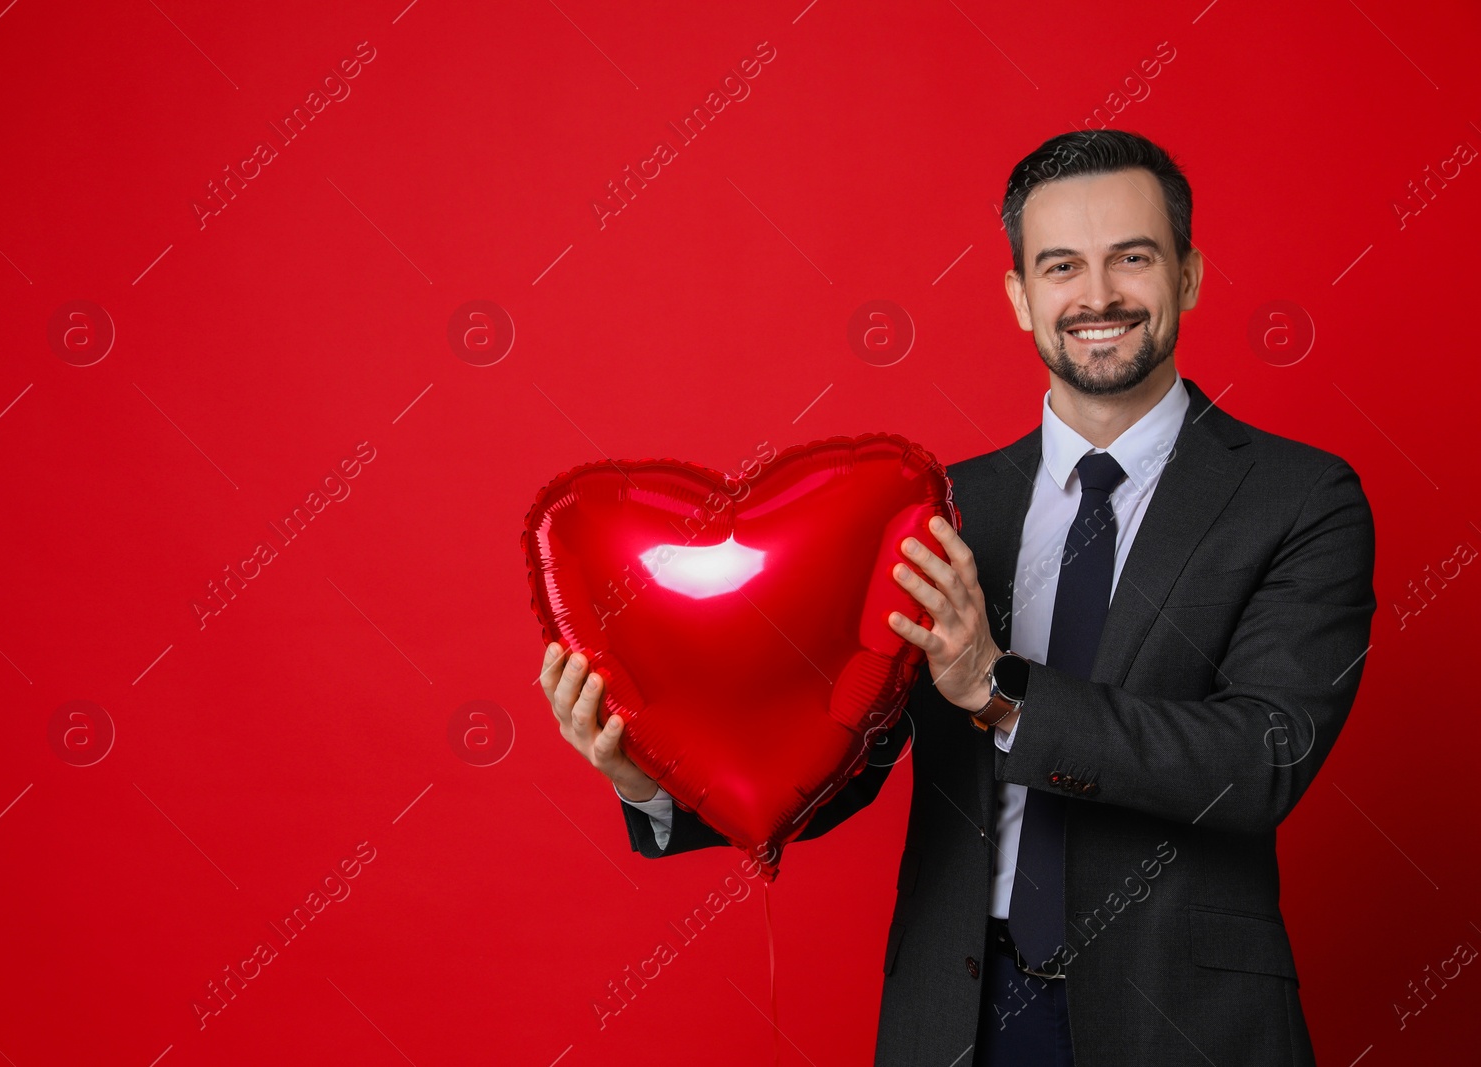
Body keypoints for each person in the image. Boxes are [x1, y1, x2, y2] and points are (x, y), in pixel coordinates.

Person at [539, 129, 1375, 1067]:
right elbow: (847, 752)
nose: (1096, 296)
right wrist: (650, 779)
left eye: (1131, 258)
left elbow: (1261, 758)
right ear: (1021, 297)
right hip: (959, 1016)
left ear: (1188, 275)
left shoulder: (1298, 498)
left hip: (1184, 1018)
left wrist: (996, 687)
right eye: (1061, 266)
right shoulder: (941, 511)